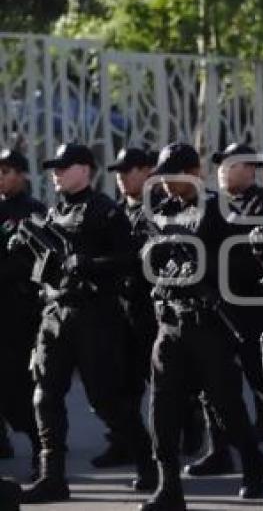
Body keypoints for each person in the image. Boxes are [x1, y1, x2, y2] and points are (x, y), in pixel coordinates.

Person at [19, 143, 156, 503]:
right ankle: (53, 477)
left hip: (95, 316)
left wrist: (91, 263)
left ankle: (147, 460)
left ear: (85, 170)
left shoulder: (105, 211)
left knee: (106, 399)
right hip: (55, 313)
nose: (56, 173)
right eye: (54, 168)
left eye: (64, 167)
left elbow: (131, 259)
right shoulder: (54, 212)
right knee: (45, 395)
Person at [140, 143, 263, 511]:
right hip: (170, 321)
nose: (166, 185)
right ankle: (169, 487)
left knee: (225, 403)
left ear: (195, 172)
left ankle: (253, 462)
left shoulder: (220, 211)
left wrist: (206, 267)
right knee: (162, 408)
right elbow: (148, 257)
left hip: (208, 322)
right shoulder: (163, 213)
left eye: (174, 177)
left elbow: (246, 269)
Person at [85, 147, 162, 470]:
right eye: (118, 170)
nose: (121, 176)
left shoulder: (162, 209)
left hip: (156, 309)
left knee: (166, 383)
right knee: (123, 385)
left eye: (128, 170)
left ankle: (192, 433)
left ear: (148, 172)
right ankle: (125, 443)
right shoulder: (114, 212)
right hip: (123, 310)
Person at [0, 148, 45, 479]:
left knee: (19, 386)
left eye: (7, 171)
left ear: (22, 174)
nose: (1, 176)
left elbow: (33, 263)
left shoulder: (34, 211)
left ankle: (42, 451)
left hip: (20, 311)